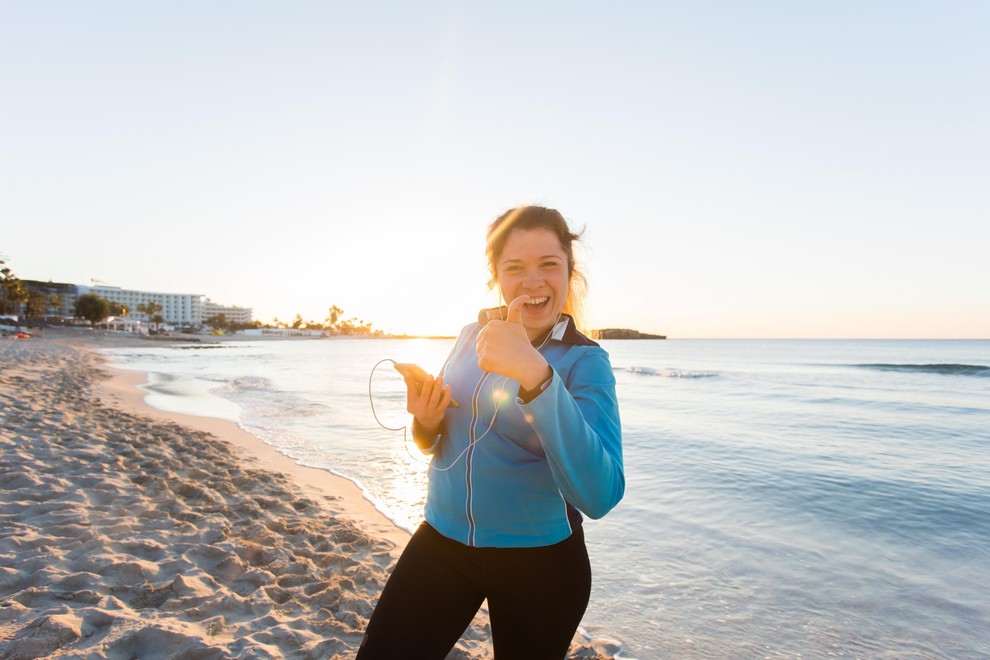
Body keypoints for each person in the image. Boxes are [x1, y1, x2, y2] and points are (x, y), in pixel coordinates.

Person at [358, 206, 624, 659]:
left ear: (569, 271)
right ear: (496, 275)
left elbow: (600, 495)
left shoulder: (586, 362)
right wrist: (425, 420)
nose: (533, 281)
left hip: (542, 563)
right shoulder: (469, 337)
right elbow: (436, 444)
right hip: (442, 543)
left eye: (548, 265)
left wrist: (538, 378)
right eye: (515, 267)